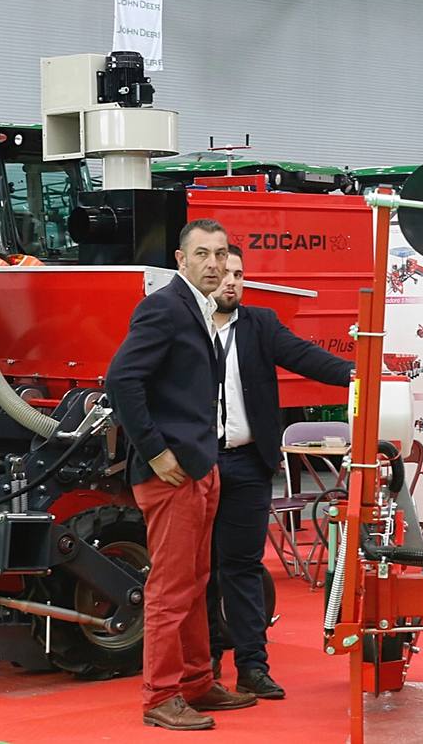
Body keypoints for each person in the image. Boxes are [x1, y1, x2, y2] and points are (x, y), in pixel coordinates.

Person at [106, 219, 257, 731]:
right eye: (203, 255)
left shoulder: (201, 311)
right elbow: (121, 379)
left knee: (195, 581)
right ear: (180, 259)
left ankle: (195, 682)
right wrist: (155, 453)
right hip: (171, 474)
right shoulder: (165, 309)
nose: (213, 264)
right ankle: (159, 696)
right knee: (171, 590)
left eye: (220, 254)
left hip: (200, 467)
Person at [206, 245, 352, 699]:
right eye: (224, 273)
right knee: (200, 568)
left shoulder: (260, 324)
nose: (232, 281)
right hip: (196, 463)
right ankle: (205, 663)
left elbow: (308, 358)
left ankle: (253, 665)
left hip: (248, 462)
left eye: (239, 274)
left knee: (244, 566)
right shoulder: (184, 325)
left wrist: (362, 372)